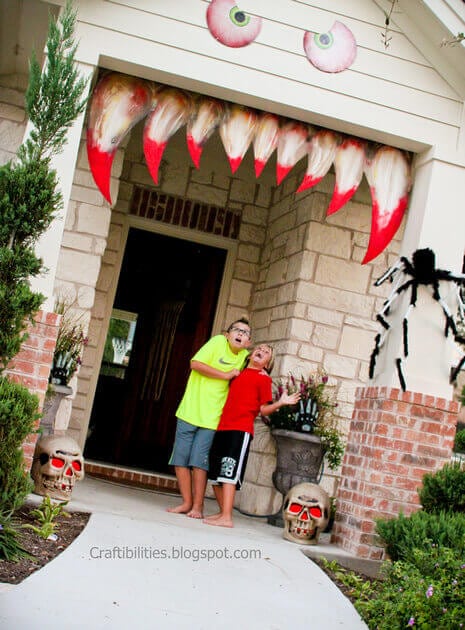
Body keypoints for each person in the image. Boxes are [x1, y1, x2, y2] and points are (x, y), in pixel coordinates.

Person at [203, 344, 300, 528]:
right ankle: (223, 511)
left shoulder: (263, 380)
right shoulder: (238, 373)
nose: (261, 351)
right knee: (215, 474)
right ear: (250, 355)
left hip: (240, 430)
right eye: (260, 348)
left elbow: (264, 410)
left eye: (266, 353)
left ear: (267, 363)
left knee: (229, 474)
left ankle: (226, 517)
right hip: (223, 428)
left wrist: (280, 402)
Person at [167, 318, 251, 518]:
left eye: (245, 333)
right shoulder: (216, 343)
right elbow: (195, 363)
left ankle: (198, 506)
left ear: (248, 342)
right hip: (189, 411)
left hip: (213, 418)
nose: (240, 334)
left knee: (199, 462)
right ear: (227, 334)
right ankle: (186, 502)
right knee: (180, 459)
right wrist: (225, 375)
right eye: (236, 330)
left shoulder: (245, 358)